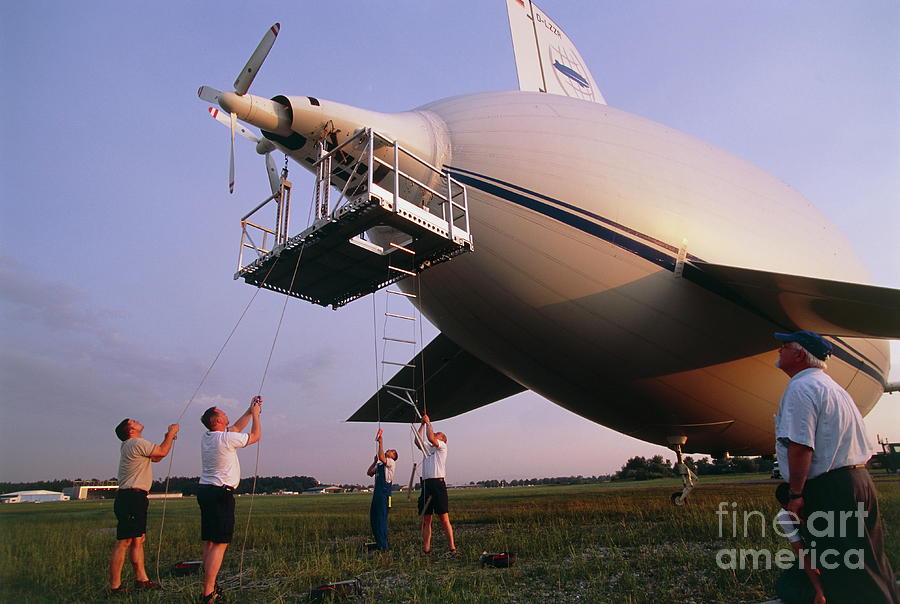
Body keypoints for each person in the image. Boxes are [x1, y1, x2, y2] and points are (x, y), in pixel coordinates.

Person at [773, 330, 899, 603]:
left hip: (831, 488)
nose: (778, 351)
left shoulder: (800, 388)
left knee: (842, 567)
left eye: (784, 346)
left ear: (799, 354)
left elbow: (800, 445)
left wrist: (795, 495)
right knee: (869, 558)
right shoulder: (833, 388)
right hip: (859, 481)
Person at [197, 396, 262, 603]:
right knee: (220, 543)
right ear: (216, 420)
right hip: (220, 494)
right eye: (223, 413)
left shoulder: (210, 437)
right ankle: (208, 593)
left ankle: (208, 585)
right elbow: (255, 436)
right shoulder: (225, 439)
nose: (227, 415)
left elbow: (234, 427)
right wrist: (257, 417)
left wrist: (250, 410)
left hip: (206, 491)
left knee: (210, 541)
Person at [109, 419, 179, 595]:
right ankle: (115, 587)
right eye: (133, 421)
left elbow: (156, 457)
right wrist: (170, 434)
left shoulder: (132, 444)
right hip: (131, 498)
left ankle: (142, 580)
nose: (137, 421)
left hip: (135, 498)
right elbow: (161, 451)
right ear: (130, 430)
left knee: (138, 540)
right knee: (124, 541)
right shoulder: (136, 442)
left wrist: (167, 437)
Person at [773, 482, 826, 604]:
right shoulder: (784, 517)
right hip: (814, 559)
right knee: (784, 587)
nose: (795, 514)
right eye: (790, 510)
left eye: (799, 509)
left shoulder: (819, 507)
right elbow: (802, 554)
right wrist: (819, 590)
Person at [416, 414, 456, 556]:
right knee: (426, 520)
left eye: (438, 434)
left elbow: (430, 437)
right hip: (426, 486)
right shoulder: (428, 448)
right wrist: (422, 424)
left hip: (438, 485)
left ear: (442, 439)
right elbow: (417, 441)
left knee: (444, 519)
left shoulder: (442, 447)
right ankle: (426, 550)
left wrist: (428, 423)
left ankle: (452, 548)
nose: (435, 434)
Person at [366, 429, 398, 551]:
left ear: (393, 457)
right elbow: (369, 473)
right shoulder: (380, 465)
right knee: (374, 518)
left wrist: (381, 443)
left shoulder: (391, 463)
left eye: (391, 451)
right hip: (377, 495)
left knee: (381, 519)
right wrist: (374, 462)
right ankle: (379, 543)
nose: (388, 450)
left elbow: (381, 456)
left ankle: (383, 546)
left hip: (384, 496)